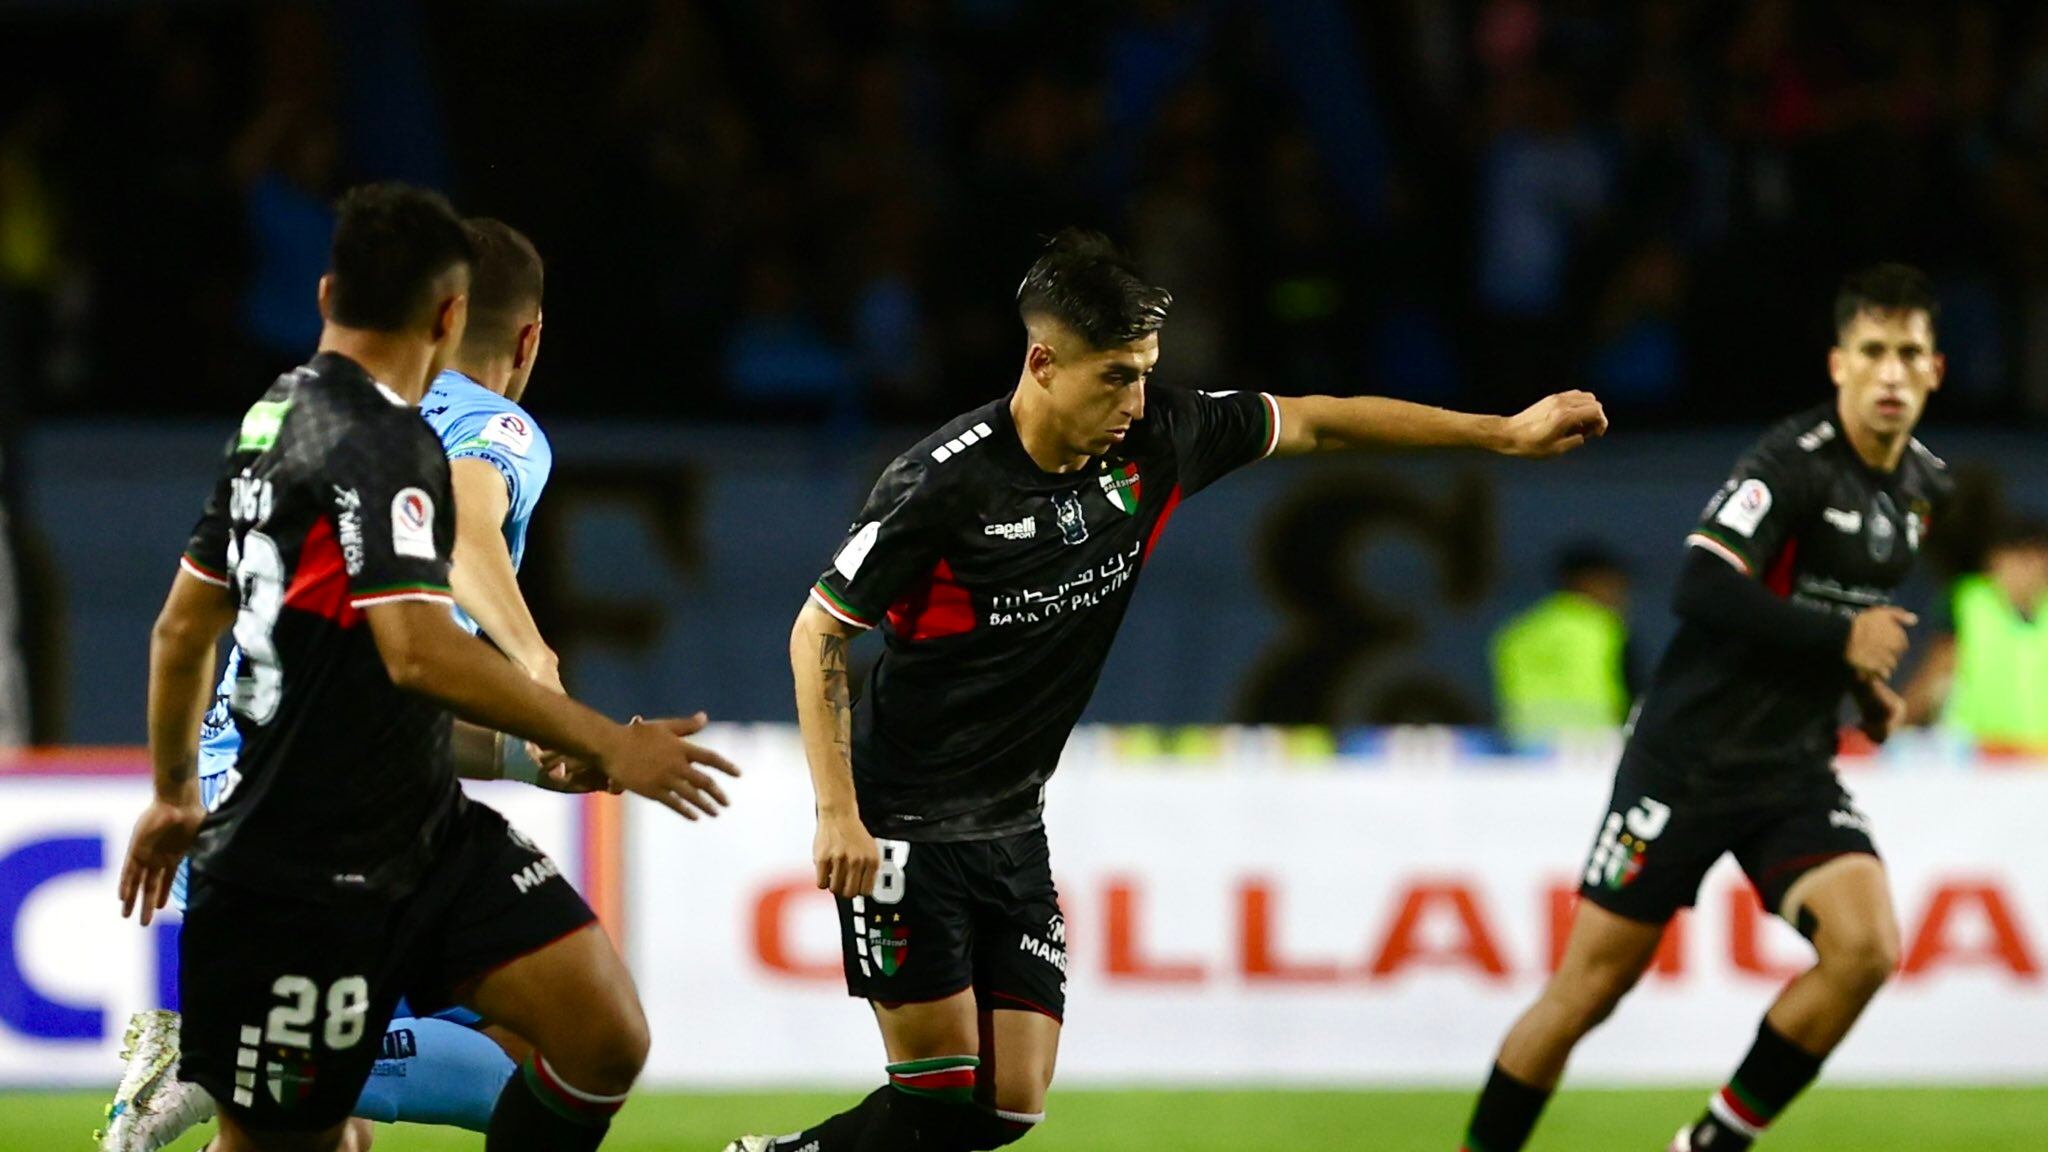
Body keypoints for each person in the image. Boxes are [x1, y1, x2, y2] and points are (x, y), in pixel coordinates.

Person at [724, 229, 1607, 1152]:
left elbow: (1316, 418)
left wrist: (1500, 433)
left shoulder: (1158, 440)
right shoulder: (939, 486)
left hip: (1014, 824)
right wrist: (838, 813)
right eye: (1115, 375)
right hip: (907, 821)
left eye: (1146, 370)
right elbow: (819, 628)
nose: (1137, 399)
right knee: (938, 1102)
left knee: (1011, 1106)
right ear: (1043, 362)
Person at [116, 182, 737, 1152]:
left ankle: (220, 1057)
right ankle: (210, 1057)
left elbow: (185, 632)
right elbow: (435, 608)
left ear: (325, 294)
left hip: (362, 806)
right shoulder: (442, 433)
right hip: (302, 848)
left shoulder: (268, 420)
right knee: (375, 1112)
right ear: (465, 325)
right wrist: (575, 712)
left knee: (590, 1035)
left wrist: (170, 794)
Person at [100, 216, 569, 1152]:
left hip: (247, 791)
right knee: (548, 1057)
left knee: (325, 1127)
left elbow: (215, 633)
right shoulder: (494, 424)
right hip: (334, 823)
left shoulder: (326, 425)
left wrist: (526, 749)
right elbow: (471, 528)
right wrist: (537, 666)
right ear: (526, 338)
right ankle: (209, 1056)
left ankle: (219, 1057)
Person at [1458, 263, 1952, 1152]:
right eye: (1872, 351)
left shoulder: (1919, 490)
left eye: (1907, 353)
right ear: (1839, 364)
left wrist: (1862, 688)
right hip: (1684, 762)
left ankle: (1711, 1143)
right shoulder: (1792, 464)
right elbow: (1701, 585)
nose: (1889, 372)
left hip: (1790, 767)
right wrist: (1842, 647)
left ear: (1934, 371)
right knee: (1587, 993)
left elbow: (1819, 612)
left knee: (1866, 947)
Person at [1901, 517, 2048, 750]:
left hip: (2038, 761)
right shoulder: (1969, 604)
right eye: (2019, 560)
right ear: (1995, 561)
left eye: (2035, 561)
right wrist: (1891, 728)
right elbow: (1935, 671)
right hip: (1977, 760)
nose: (2026, 572)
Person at [1491, 541, 1634, 745]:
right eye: (1612, 582)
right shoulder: (1601, 627)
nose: (1620, 593)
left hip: (1528, 748)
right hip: (1592, 747)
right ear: (1585, 581)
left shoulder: (1517, 633)